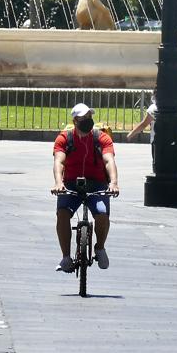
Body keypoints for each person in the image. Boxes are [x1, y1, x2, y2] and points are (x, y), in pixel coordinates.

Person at [51, 103, 120, 272]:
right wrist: (59, 183)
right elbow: (58, 162)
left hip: (97, 183)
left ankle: (100, 247)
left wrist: (113, 183)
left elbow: (109, 160)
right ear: (75, 121)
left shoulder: (101, 138)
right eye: (84, 118)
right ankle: (66, 257)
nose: (88, 121)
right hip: (71, 183)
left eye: (90, 117)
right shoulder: (64, 138)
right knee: (62, 214)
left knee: (102, 214)